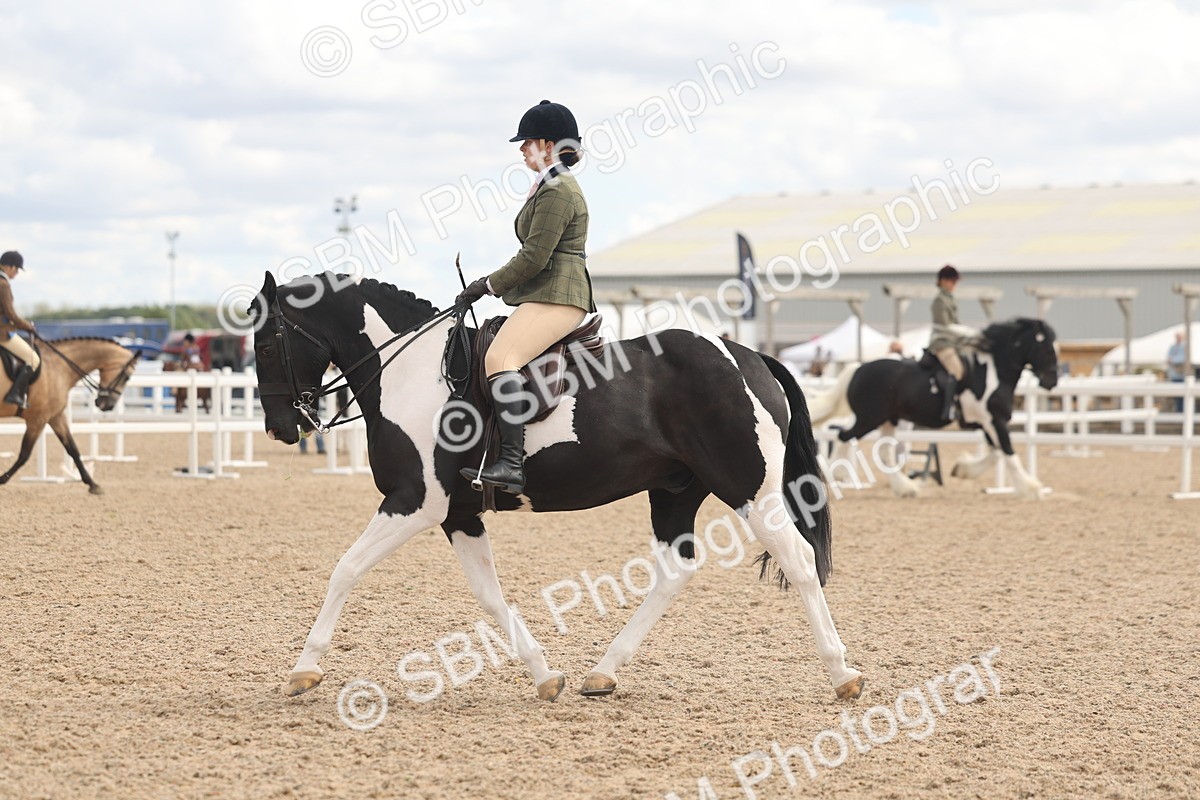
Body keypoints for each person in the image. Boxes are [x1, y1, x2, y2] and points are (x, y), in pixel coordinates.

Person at [455, 100, 595, 493]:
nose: (521, 149)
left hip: (559, 294)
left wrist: (487, 285)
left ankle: (511, 464)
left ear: (548, 145)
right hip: (547, 291)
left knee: (500, 357)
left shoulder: (558, 191)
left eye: (527, 142)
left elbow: (534, 256)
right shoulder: (549, 185)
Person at [929, 264, 976, 423]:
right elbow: (945, 325)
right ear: (943, 281)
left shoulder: (950, 299)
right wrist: (966, 332)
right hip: (942, 342)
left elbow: (955, 322)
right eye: (952, 281)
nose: (954, 285)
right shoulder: (939, 301)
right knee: (956, 371)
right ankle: (948, 408)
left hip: (954, 342)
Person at [0, 250, 41, 409]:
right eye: (16, 270)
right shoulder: (3, 284)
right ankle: (16, 394)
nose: (16, 274)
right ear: (9, 267)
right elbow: (11, 314)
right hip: (2, 333)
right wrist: (28, 327)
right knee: (34, 359)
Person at [1167, 332, 1187, 413]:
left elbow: (1182, 359)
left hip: (1182, 376)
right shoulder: (1172, 347)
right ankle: (1179, 411)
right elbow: (1169, 359)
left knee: (1184, 395)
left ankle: (1183, 411)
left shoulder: (1184, 347)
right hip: (1175, 376)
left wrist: (1174, 361)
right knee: (1177, 395)